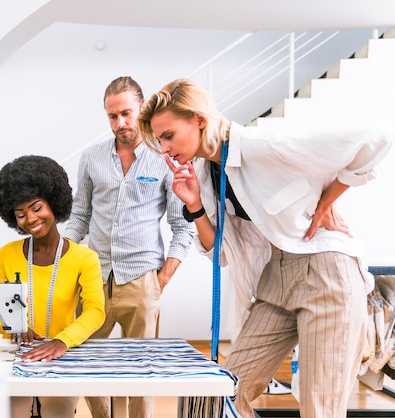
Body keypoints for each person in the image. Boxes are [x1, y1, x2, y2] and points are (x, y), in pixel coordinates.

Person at [137, 78, 394, 418]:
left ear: (199, 119)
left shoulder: (260, 144)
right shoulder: (206, 172)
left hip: (327, 274)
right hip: (277, 277)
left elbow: (376, 139)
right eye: (159, 140)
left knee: (321, 410)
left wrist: (326, 201)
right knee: (218, 395)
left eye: (168, 135)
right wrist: (195, 205)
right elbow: (221, 254)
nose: (165, 147)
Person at [64, 76, 194, 418]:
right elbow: (80, 215)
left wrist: (163, 277)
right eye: (112, 116)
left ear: (142, 110)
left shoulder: (164, 157)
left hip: (142, 279)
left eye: (126, 113)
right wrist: (59, 256)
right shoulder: (91, 158)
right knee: (86, 360)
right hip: (94, 278)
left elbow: (183, 226)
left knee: (141, 369)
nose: (120, 123)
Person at [0, 155, 105, 418]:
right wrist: (14, 327)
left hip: (61, 354)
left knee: (56, 413)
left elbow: (96, 311)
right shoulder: (7, 254)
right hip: (15, 355)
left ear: (54, 202)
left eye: (36, 207)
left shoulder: (84, 258)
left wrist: (63, 341)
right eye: (20, 214)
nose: (30, 219)